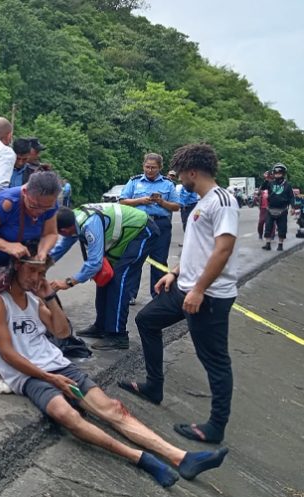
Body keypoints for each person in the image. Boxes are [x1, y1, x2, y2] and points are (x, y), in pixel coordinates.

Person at [0, 257, 229, 488]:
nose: (37, 277)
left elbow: (62, 332)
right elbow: (8, 354)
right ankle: (141, 459)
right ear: (16, 266)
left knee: (113, 409)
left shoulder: (35, 300)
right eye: (32, 270)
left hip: (58, 366)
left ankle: (181, 457)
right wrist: (50, 378)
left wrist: (49, 296)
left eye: (42, 273)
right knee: (66, 415)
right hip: (29, 376)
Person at [119, 143, 238, 444]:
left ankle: (216, 426)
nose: (179, 178)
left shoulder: (222, 201)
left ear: (193, 172)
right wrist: (174, 273)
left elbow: (223, 249)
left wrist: (199, 289)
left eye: (181, 173)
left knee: (214, 359)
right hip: (184, 287)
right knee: (146, 320)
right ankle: (153, 386)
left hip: (208, 296)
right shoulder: (202, 201)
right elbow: (199, 249)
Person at [0, 171, 60, 393]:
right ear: (26, 192)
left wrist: (43, 253)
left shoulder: (49, 206)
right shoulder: (9, 202)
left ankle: (8, 355)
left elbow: (51, 233)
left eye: (45, 208)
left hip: (16, 251)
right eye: (35, 206)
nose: (39, 213)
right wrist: (7, 247)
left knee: (10, 301)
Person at [49, 204, 158, 350]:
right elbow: (62, 246)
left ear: (64, 230)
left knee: (119, 280)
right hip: (128, 234)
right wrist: (42, 263)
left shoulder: (89, 225)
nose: (61, 236)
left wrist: (68, 282)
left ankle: (118, 336)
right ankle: (101, 326)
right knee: (104, 279)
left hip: (143, 231)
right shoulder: (73, 220)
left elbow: (94, 262)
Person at [119, 153, 181, 298]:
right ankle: (130, 295)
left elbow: (176, 206)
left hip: (161, 224)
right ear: (143, 166)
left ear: (160, 168)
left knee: (159, 260)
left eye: (153, 168)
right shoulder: (134, 181)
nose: (150, 170)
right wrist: (140, 201)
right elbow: (122, 200)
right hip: (139, 223)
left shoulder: (168, 183)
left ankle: (158, 296)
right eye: (147, 167)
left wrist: (161, 202)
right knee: (135, 258)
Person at [261, 163, 296, 251]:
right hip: (270, 209)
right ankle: (267, 244)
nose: (277, 175)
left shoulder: (287, 185)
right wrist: (266, 179)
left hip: (282, 210)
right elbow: (263, 188)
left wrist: (293, 207)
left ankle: (280, 245)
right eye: (276, 173)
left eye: (279, 173)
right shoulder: (270, 183)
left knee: (282, 228)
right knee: (268, 227)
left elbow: (291, 197)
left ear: (283, 174)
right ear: (273, 173)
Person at [255, 171, 275, 239]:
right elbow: (257, 194)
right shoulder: (263, 185)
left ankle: (272, 235)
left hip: (271, 207)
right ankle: (260, 234)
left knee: (271, 222)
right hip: (263, 207)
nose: (268, 179)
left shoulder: (274, 186)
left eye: (270, 178)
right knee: (261, 222)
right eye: (267, 178)